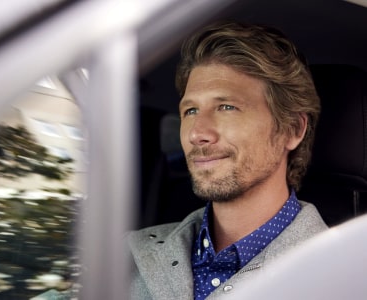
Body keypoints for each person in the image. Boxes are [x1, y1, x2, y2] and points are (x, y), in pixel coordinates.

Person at [127, 21, 328, 300]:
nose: (197, 133)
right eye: (191, 110)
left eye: (227, 107)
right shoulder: (126, 256)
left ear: (292, 129)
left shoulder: (345, 275)